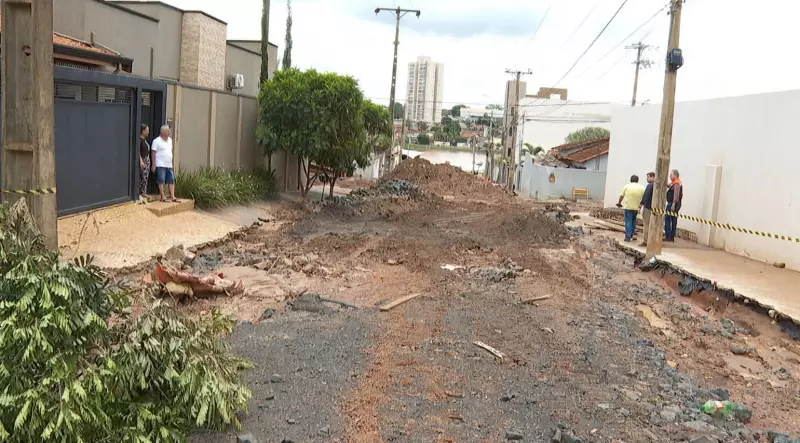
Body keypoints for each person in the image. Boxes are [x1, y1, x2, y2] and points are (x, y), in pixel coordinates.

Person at [151, 125, 179, 203]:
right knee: (161, 180)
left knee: (171, 180)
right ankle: (162, 196)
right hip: (160, 164)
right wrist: (154, 164)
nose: (169, 132)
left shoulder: (170, 140)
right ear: (162, 132)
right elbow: (153, 152)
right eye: (167, 131)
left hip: (169, 164)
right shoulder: (156, 141)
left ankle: (172, 196)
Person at [617, 175, 645, 242]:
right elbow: (644, 198)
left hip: (628, 207)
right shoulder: (642, 188)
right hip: (636, 208)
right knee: (633, 221)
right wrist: (640, 206)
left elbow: (621, 196)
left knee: (628, 221)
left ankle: (628, 237)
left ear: (630, 180)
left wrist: (619, 202)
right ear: (637, 180)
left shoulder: (627, 186)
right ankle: (632, 234)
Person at [664, 169, 683, 242]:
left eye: (671, 174)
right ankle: (671, 236)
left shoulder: (677, 184)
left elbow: (676, 195)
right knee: (673, 219)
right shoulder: (674, 182)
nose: (670, 176)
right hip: (673, 203)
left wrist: (673, 204)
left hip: (672, 203)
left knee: (668, 219)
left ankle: (669, 236)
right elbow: (669, 185)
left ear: (675, 175)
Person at [639, 172, 655, 246]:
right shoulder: (657, 185)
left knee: (646, 225)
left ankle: (645, 241)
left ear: (653, 177)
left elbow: (646, 196)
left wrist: (641, 205)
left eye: (648, 177)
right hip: (655, 209)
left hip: (648, 207)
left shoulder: (650, 185)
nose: (647, 179)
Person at [138, 124, 151, 203]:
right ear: (142, 131)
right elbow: (138, 151)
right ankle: (140, 192)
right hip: (143, 159)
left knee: (146, 176)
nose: (148, 132)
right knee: (142, 176)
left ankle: (144, 192)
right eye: (146, 130)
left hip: (147, 159)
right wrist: (141, 161)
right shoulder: (139, 140)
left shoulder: (145, 140)